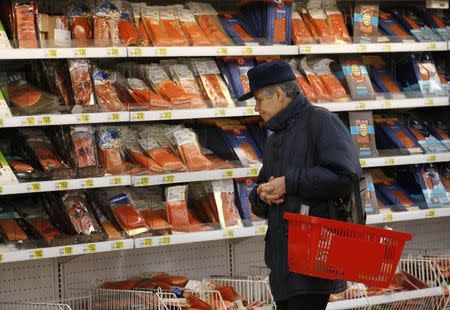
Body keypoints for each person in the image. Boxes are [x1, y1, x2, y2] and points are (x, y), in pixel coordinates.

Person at [239, 61, 362, 310]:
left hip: (314, 259)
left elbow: (345, 178)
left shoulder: (321, 121)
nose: (257, 107)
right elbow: (265, 185)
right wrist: (262, 196)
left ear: (280, 94)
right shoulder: (275, 138)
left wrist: (290, 183)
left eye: (260, 99)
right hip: (283, 263)